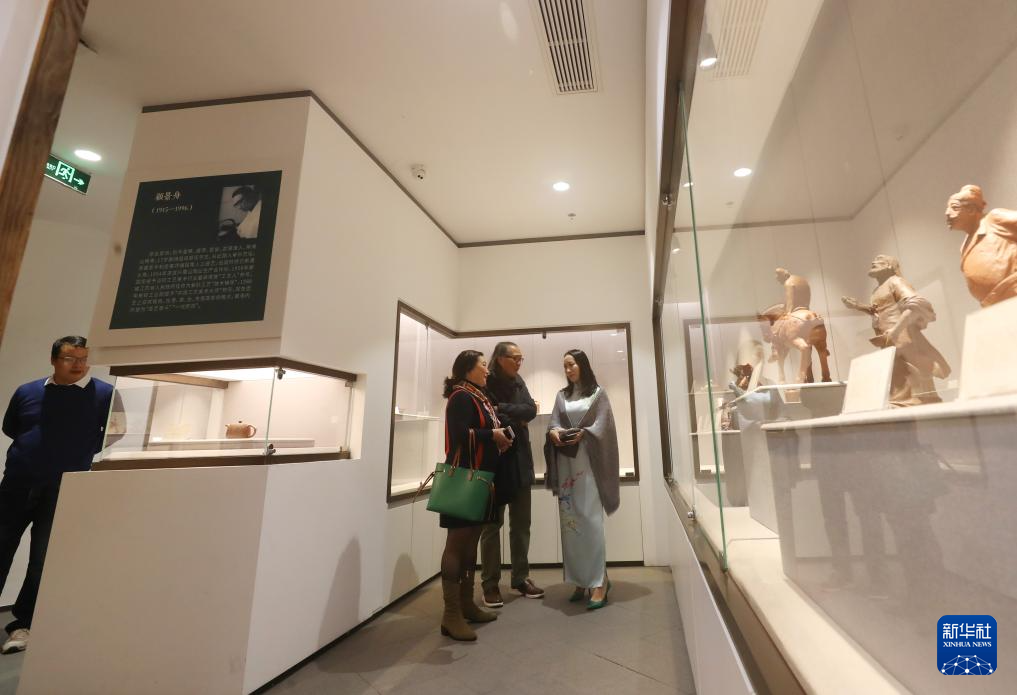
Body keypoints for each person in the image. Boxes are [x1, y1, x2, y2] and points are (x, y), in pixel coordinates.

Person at [0, 337, 122, 653]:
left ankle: (23, 625)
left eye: (84, 358)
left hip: (65, 487)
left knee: (42, 559)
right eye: (70, 358)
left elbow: (116, 432)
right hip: (17, 483)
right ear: (54, 359)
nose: (79, 364)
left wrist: (78, 452)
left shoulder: (105, 394)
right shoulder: (27, 391)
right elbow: (11, 427)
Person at [437, 350, 513, 641]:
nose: (487, 370)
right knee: (457, 545)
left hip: (481, 479)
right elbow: (459, 435)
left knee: (470, 546)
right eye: (483, 365)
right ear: (468, 369)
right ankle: (451, 614)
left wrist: (498, 439)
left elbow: (479, 431)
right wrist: (492, 435)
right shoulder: (461, 397)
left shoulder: (479, 397)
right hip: (464, 479)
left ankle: (467, 604)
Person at [544, 349, 619, 610]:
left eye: (572, 365)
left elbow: (604, 427)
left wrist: (584, 433)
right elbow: (553, 422)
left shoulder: (597, 394)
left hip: (589, 465)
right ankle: (580, 579)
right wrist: (554, 432)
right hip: (567, 464)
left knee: (590, 520)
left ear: (582, 365)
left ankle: (599, 581)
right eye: (565, 366)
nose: (568, 370)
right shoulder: (561, 396)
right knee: (571, 522)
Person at [479, 342, 543, 607]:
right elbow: (491, 417)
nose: (519, 363)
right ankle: (490, 584)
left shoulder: (518, 382)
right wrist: (515, 416)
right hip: (496, 466)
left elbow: (531, 410)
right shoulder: (486, 382)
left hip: (521, 464)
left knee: (521, 525)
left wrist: (504, 409)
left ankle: (520, 578)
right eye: (515, 358)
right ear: (500, 358)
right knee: (491, 527)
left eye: (521, 358)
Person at [841, 255, 951, 406]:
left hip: (901, 335)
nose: (873, 262)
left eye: (879, 260)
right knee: (898, 368)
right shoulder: (877, 289)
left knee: (910, 366)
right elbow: (878, 310)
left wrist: (896, 330)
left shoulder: (895, 281)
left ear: (889, 266)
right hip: (887, 336)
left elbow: (915, 303)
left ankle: (914, 400)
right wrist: (858, 306)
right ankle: (905, 400)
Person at [945, 184, 1017, 307]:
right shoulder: (965, 245)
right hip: (994, 305)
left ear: (971, 210)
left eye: (954, 208)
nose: (947, 213)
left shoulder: (994, 219)